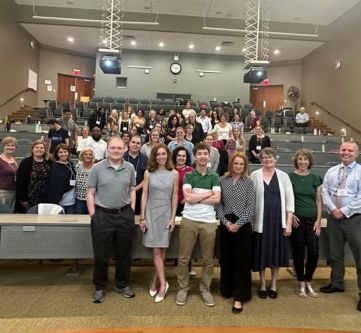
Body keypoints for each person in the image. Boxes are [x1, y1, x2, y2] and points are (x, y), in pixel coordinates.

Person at [87, 137, 136, 303]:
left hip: (124, 215)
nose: (116, 150)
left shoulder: (129, 168)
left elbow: (132, 189)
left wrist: (132, 209)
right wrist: (93, 214)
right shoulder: (97, 168)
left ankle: (122, 284)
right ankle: (100, 287)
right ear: (107, 149)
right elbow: (90, 193)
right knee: (101, 255)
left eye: (119, 148)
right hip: (102, 216)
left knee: (124, 254)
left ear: (124, 149)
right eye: (113, 147)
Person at [176, 143, 221, 307]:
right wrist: (209, 193)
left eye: (205, 153)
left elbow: (217, 199)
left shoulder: (214, 176)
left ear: (209, 156)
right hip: (189, 219)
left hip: (209, 221)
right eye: (199, 153)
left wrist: (197, 196)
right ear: (195, 157)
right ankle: (183, 288)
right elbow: (188, 199)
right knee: (184, 258)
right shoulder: (189, 175)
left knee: (208, 260)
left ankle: (205, 289)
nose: (202, 156)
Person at [320, 141, 361, 312]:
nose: (346, 153)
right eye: (343, 150)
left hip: (354, 219)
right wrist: (333, 209)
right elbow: (325, 192)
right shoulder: (331, 171)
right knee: (335, 253)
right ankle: (337, 283)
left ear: (357, 153)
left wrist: (344, 211)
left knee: (360, 257)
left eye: (350, 150)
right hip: (334, 218)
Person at [251, 147, 294, 299]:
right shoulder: (254, 175)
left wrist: (288, 223)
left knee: (275, 253)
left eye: (270, 157)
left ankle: (274, 283)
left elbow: (290, 202)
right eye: (264, 157)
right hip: (261, 221)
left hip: (278, 221)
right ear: (260, 159)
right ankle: (262, 283)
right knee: (261, 253)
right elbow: (251, 200)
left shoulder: (283, 176)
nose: (267, 159)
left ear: (276, 159)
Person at [216, 153, 255, 313]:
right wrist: (226, 223)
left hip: (242, 225)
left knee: (242, 261)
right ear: (231, 164)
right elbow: (218, 204)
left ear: (244, 166)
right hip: (225, 224)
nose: (238, 166)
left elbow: (250, 207)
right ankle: (227, 289)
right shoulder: (222, 180)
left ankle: (239, 296)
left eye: (241, 164)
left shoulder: (249, 183)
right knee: (226, 259)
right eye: (236, 163)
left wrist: (237, 225)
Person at [140, 144, 178, 303]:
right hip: (151, 212)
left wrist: (173, 217)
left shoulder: (174, 173)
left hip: (166, 213)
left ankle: (155, 279)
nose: (161, 157)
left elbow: (175, 196)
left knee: (162, 251)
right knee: (156, 251)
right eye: (158, 154)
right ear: (154, 156)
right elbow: (144, 195)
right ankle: (163, 284)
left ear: (167, 155)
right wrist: (142, 217)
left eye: (164, 154)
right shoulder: (148, 173)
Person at [289, 149, 322, 298]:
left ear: (310, 162)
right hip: (297, 219)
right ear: (296, 161)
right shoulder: (290, 177)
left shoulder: (315, 178)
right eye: (300, 159)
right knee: (299, 251)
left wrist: (318, 220)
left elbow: (319, 201)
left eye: (305, 160)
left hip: (312, 219)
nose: (303, 162)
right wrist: (291, 215)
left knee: (314, 253)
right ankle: (301, 282)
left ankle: (308, 280)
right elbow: (287, 198)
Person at [15, 140, 51, 213]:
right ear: (32, 149)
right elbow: (20, 182)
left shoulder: (49, 162)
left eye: (41, 148)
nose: (39, 149)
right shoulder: (26, 162)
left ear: (45, 150)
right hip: (29, 199)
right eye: (36, 147)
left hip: (45, 199)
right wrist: (23, 199)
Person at [43, 144, 76, 214]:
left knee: (71, 222)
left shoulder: (70, 164)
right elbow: (52, 185)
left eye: (65, 151)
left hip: (71, 200)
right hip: (59, 200)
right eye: (60, 152)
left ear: (68, 153)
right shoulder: (54, 166)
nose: (63, 154)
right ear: (57, 154)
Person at [124, 135, 148, 215]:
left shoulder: (145, 158)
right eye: (133, 142)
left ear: (141, 145)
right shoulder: (122, 157)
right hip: (123, 194)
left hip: (140, 194)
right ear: (129, 143)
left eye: (138, 143)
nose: (135, 145)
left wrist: (135, 189)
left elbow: (147, 178)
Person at [172, 146, 193, 216]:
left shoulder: (190, 170)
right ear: (175, 156)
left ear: (186, 158)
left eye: (183, 156)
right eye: (179, 155)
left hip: (185, 203)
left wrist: (186, 199)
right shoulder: (170, 169)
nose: (181, 158)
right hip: (170, 202)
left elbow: (195, 187)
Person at [74, 148, 95, 214]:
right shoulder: (77, 166)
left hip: (93, 200)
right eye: (85, 154)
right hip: (79, 199)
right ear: (82, 156)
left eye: (90, 154)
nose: (88, 156)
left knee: (93, 220)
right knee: (79, 221)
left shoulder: (96, 167)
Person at [0, 136, 18, 210]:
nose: (10, 147)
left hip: (13, 191)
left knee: (10, 214)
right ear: (3, 146)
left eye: (12, 145)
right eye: (8, 145)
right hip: (2, 192)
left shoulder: (14, 159)